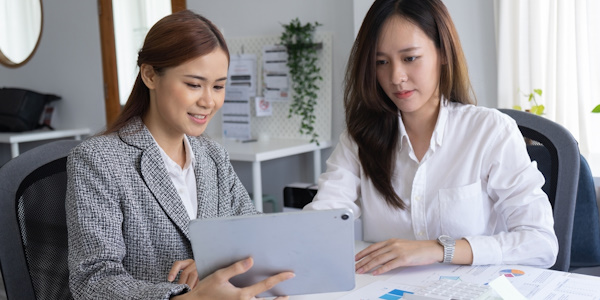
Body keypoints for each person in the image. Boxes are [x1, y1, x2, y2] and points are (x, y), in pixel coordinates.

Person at [304, 0, 558, 275]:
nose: (396, 76)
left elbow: (541, 243)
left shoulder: (490, 131)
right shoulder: (359, 139)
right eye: (381, 62)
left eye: (410, 58)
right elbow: (323, 217)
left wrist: (439, 249)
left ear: (443, 53)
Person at [66, 10, 293, 300]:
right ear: (150, 75)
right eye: (193, 84)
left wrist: (212, 263)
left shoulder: (212, 155)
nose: (209, 101)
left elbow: (250, 228)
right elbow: (93, 281)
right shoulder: (98, 160)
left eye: (219, 86)